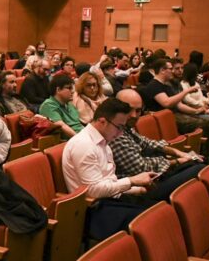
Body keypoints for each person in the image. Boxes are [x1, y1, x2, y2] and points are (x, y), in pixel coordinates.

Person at [62, 98, 159, 240]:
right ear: (102, 121)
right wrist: (132, 181)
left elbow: (109, 183)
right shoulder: (84, 145)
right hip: (92, 210)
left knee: (161, 208)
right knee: (151, 221)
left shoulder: (103, 141)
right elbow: (93, 191)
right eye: (119, 127)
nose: (120, 133)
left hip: (109, 200)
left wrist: (137, 188)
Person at [112, 89, 205, 194]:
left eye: (138, 111)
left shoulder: (126, 127)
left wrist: (179, 153)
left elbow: (148, 143)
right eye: (128, 109)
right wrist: (178, 161)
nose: (134, 115)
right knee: (199, 169)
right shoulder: (115, 134)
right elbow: (142, 168)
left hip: (154, 177)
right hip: (141, 190)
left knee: (196, 163)